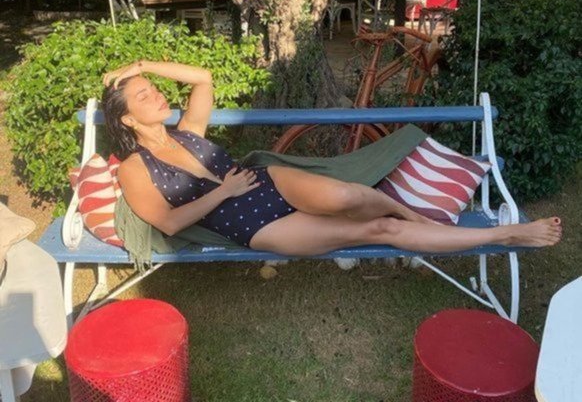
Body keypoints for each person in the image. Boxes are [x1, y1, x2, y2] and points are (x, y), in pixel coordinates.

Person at [102, 60, 561, 257]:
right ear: (126, 120)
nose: (157, 95)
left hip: (269, 181)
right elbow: (169, 223)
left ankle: (408, 211)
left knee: (349, 196)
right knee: (379, 229)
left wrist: (142, 66)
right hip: (254, 226)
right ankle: (507, 233)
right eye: (144, 96)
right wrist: (223, 191)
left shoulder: (187, 131)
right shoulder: (135, 168)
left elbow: (202, 78)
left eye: (153, 89)